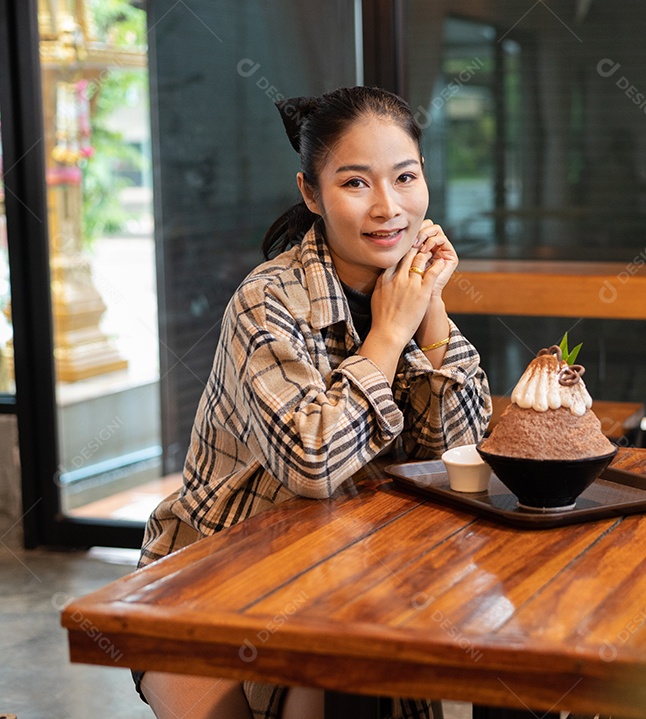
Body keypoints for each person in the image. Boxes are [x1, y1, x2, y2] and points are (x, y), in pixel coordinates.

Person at [132, 85, 492, 719]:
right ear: (311, 194)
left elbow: (462, 451)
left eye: (405, 178)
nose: (389, 207)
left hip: (352, 573)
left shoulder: (404, 286)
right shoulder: (267, 301)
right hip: (212, 580)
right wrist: (387, 335)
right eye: (356, 184)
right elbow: (313, 465)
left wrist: (429, 306)